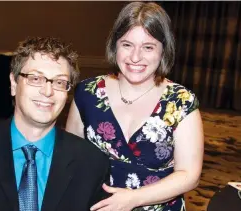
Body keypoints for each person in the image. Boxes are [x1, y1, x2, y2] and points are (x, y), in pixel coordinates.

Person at [0, 37, 110, 211]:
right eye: (35, 79)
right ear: (13, 83)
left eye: (59, 82)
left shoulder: (92, 163)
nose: (47, 91)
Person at [66, 2, 204, 211]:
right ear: (115, 45)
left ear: (163, 50)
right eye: (127, 45)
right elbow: (70, 158)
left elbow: (189, 176)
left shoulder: (180, 101)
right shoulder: (87, 93)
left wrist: (133, 199)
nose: (135, 57)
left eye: (148, 47)